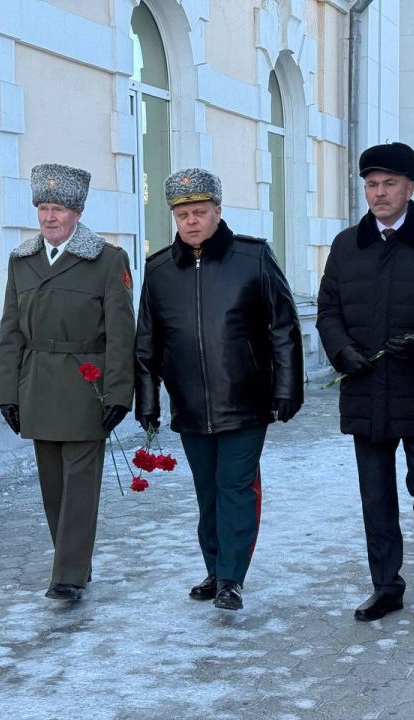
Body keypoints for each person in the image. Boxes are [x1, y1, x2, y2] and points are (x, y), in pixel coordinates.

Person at [317, 142, 414, 622]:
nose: (379, 193)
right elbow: (328, 310)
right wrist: (342, 351)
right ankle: (386, 585)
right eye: (371, 184)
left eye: (389, 184)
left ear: (410, 187)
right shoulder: (348, 245)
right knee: (376, 494)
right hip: (366, 391)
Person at [134, 168, 304, 612]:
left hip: (246, 400)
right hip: (189, 403)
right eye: (183, 214)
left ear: (218, 212)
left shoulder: (252, 257)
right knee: (206, 491)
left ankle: (232, 577)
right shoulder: (158, 271)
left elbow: (283, 326)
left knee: (235, 486)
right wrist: (148, 400)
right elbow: (146, 343)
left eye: (200, 212)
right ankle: (215, 568)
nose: (191, 221)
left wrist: (287, 387)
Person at [0, 163, 135, 602]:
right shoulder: (21, 262)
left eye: (58, 209)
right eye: (42, 208)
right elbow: (10, 331)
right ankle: (74, 563)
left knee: (80, 486)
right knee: (52, 486)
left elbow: (120, 333)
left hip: (84, 386)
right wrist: (7, 394)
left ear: (77, 212)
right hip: (37, 384)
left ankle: (68, 575)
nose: (49, 217)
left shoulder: (107, 260)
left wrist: (117, 393)